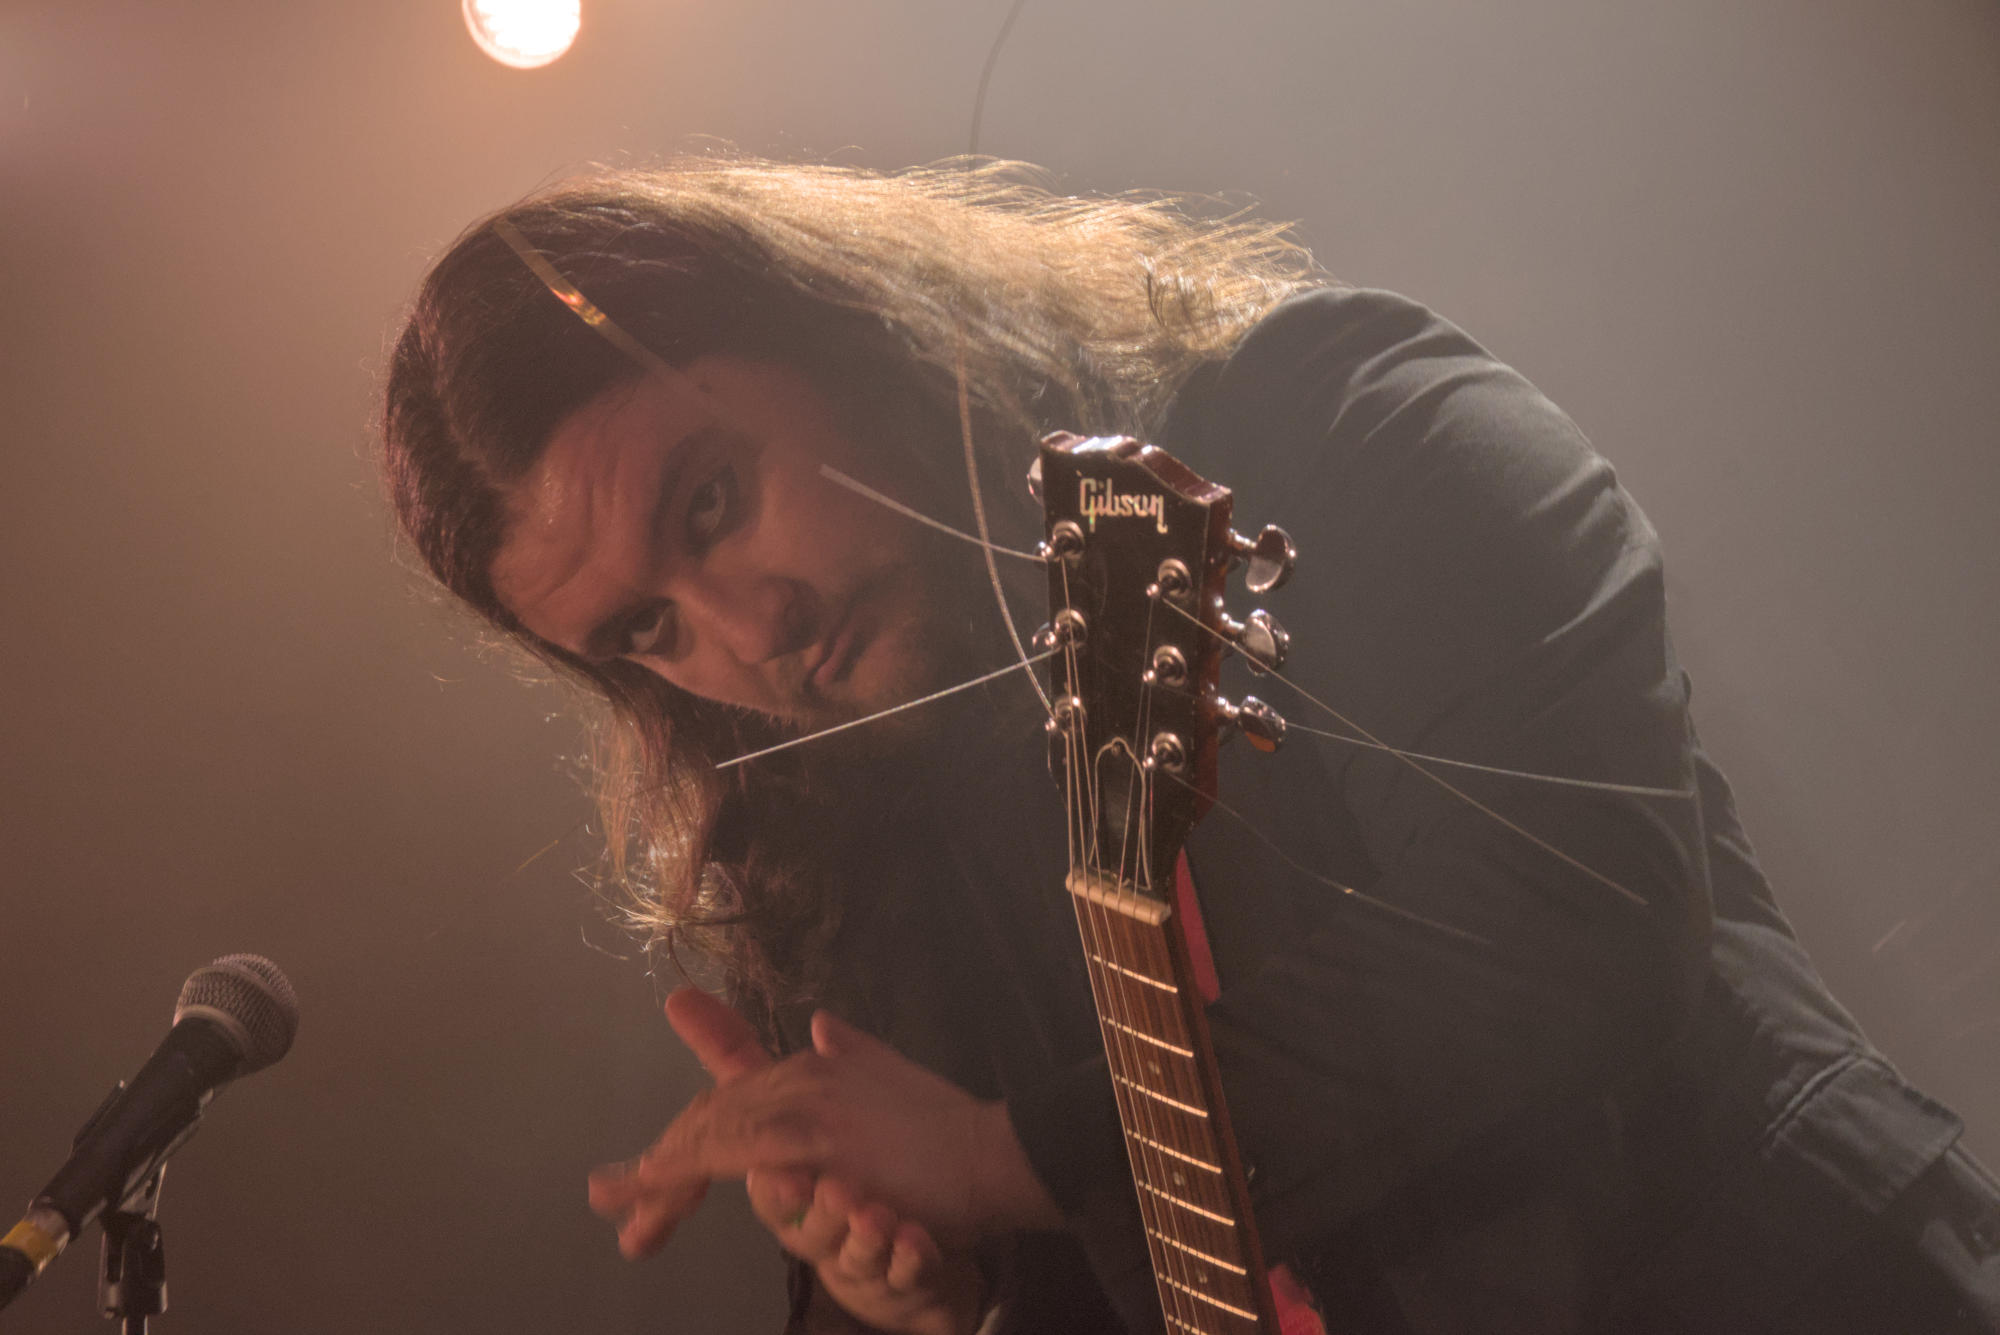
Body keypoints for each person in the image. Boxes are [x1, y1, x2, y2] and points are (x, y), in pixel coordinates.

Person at [379, 157, 2000, 1334]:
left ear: (829, 330)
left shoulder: (1352, 413)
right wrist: (936, 1299)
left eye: (712, 504)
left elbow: (1579, 924)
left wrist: (1006, 1158)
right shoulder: (836, 854)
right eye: (647, 635)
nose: (748, 631)